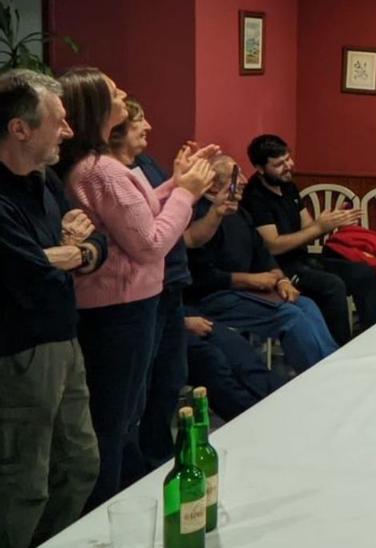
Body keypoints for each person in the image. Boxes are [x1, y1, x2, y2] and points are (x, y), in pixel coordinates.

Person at [55, 67, 216, 509]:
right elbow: (149, 244)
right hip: (118, 309)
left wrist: (177, 183)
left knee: (126, 414)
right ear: (96, 108)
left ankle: (120, 502)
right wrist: (186, 193)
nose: (125, 93)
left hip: (129, 304)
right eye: (114, 91)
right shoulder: (101, 171)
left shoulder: (103, 167)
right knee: (115, 420)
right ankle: (105, 513)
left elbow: (138, 217)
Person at [0, 68, 106, 548]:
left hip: (65, 340)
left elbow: (89, 245)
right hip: (20, 353)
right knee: (24, 484)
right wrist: (65, 254)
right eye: (58, 121)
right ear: (19, 128)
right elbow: (27, 267)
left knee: (81, 464)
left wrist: (73, 252)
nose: (69, 130)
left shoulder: (43, 182)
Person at [106, 98, 208, 479]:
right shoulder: (107, 176)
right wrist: (184, 190)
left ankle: (162, 463)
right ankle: (138, 474)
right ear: (116, 132)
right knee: (139, 394)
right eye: (138, 122)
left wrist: (182, 182)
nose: (148, 126)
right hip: (139, 293)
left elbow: (177, 221)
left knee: (169, 381)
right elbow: (150, 236)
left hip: (171, 286)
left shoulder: (146, 166)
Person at [186, 154, 337, 373]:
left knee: (306, 304)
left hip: (247, 291)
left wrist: (282, 279)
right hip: (216, 296)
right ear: (212, 187)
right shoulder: (199, 218)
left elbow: (262, 252)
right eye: (235, 177)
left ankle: (332, 366)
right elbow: (202, 277)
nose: (245, 181)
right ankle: (318, 377)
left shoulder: (240, 213)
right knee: (290, 317)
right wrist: (249, 280)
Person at [241, 134, 376, 344]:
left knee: (364, 273)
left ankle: (373, 340)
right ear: (260, 168)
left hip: (303, 261)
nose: (288, 166)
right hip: (278, 269)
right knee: (332, 285)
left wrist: (330, 223)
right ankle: (338, 350)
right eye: (279, 164)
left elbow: (308, 229)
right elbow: (273, 246)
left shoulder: (287, 185)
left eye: (288, 158)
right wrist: (318, 227)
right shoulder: (255, 196)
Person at [182, 310, 287, 422]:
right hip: (165, 325)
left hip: (176, 310)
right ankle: (258, 422)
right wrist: (182, 322)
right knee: (210, 360)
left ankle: (285, 406)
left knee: (237, 349)